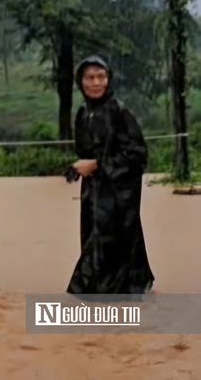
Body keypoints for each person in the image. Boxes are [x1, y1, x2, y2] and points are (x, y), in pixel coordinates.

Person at [66, 55, 154, 295]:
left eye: (101, 77)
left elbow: (137, 155)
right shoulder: (83, 113)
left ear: (109, 79)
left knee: (114, 239)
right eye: (90, 77)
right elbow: (84, 151)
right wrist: (78, 168)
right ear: (80, 82)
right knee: (93, 238)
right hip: (93, 192)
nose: (96, 83)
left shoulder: (119, 112)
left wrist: (97, 165)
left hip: (118, 194)